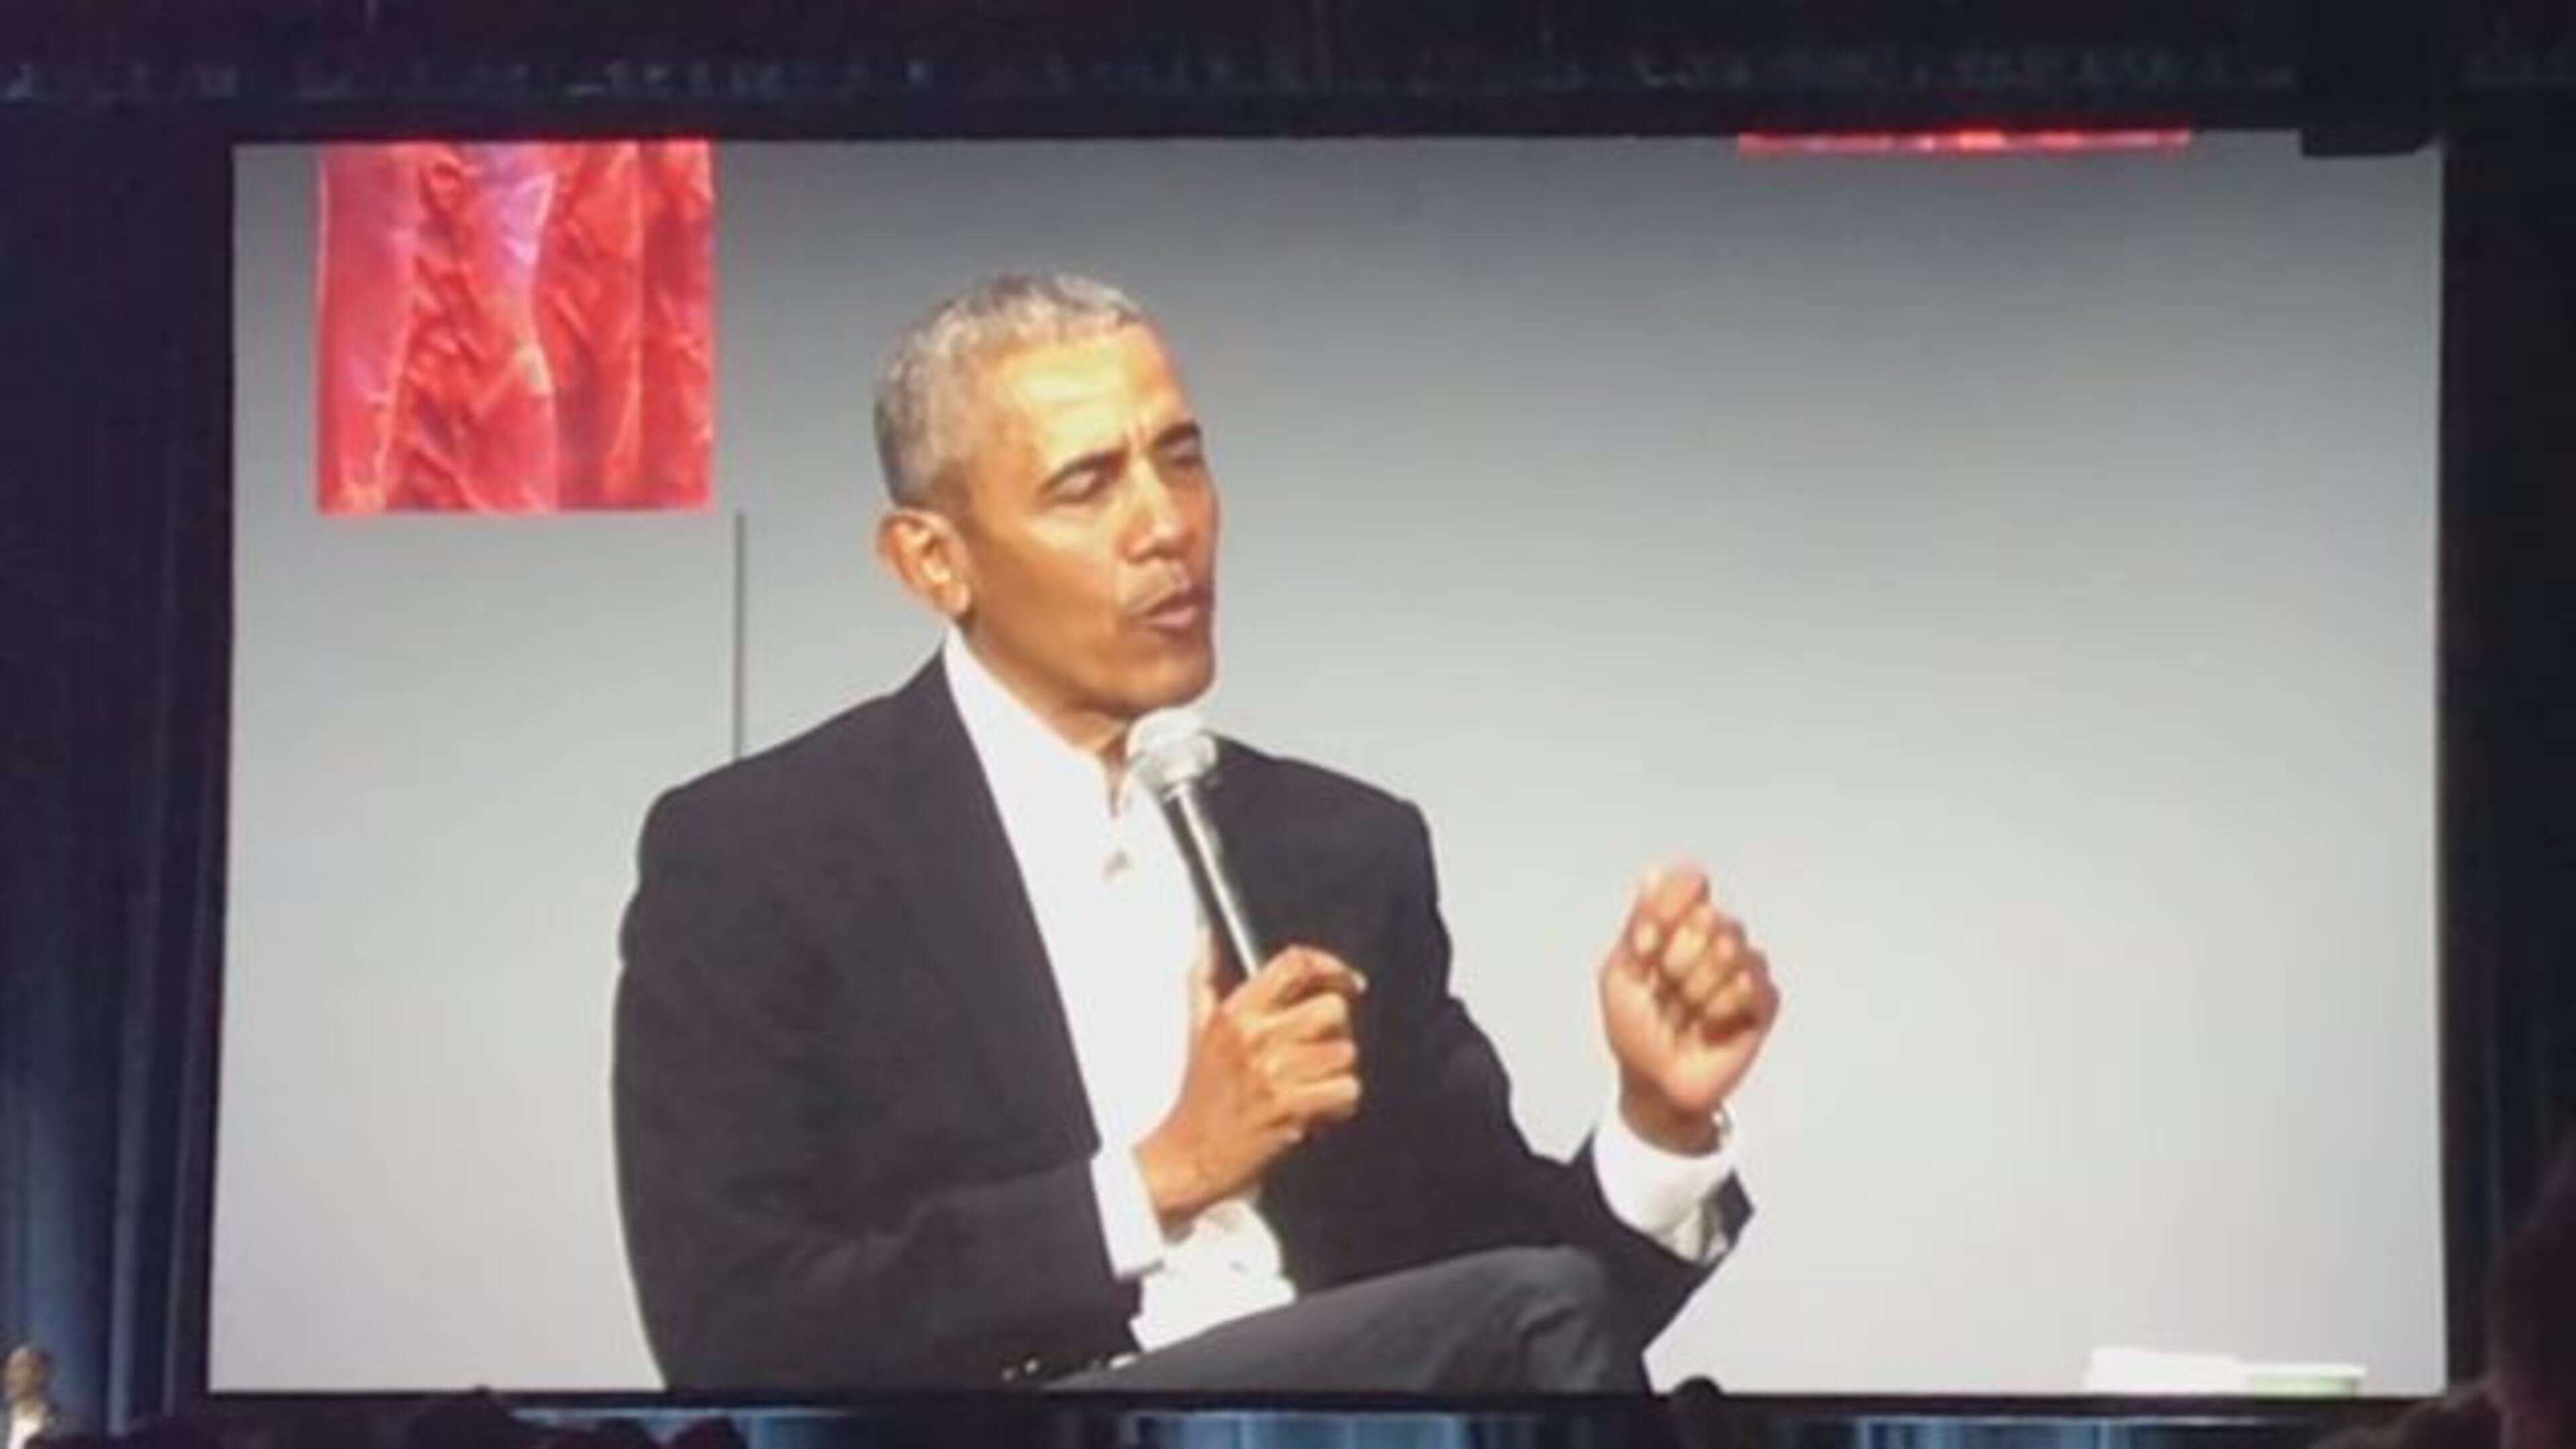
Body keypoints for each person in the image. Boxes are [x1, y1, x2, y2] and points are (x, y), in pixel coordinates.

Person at [612, 273, 1783, 1393]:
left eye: (1181, 459)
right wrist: (1158, 1178)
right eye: (1088, 486)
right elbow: (738, 1329)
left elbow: (1517, 1308)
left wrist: (1658, 1117)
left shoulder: (1339, 849)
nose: (1165, 526)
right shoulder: (763, 859)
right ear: (933, 560)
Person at [3, 1346, 58, 1449]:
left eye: (18, 1368)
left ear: (40, 1375)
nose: (9, 1376)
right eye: (9, 1369)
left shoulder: (67, 1429)